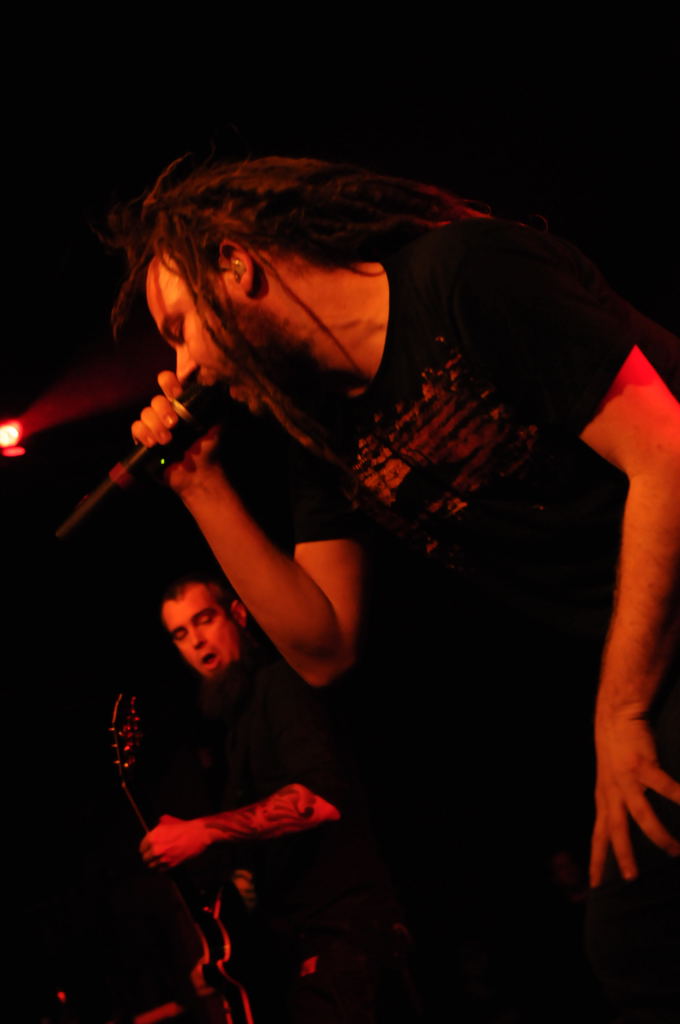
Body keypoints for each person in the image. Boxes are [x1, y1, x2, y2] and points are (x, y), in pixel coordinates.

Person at [108, 157, 680, 1016]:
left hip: (654, 654)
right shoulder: (319, 428)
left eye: (180, 327)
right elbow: (325, 648)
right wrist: (199, 485)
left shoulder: (467, 274)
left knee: (639, 939)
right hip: (657, 652)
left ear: (235, 264)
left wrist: (623, 710)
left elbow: (668, 455)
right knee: (637, 943)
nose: (182, 367)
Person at [142, 572, 414, 1023]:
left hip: (348, 934)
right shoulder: (235, 729)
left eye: (204, 619)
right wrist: (222, 955)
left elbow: (319, 801)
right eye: (181, 634)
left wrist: (203, 831)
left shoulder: (280, 683)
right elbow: (257, 871)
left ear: (238, 614)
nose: (196, 641)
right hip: (305, 945)